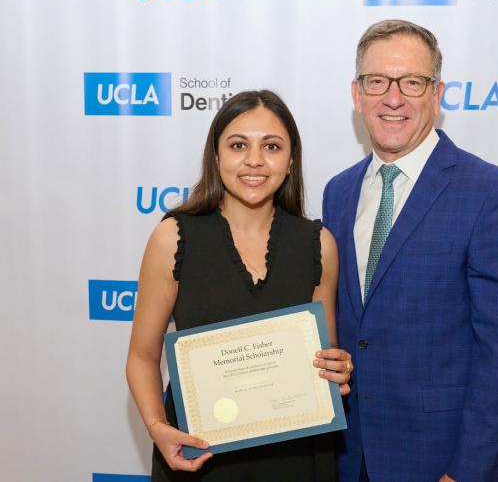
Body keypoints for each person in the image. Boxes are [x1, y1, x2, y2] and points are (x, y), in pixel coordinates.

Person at [322, 20, 498, 482]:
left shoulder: (491, 193)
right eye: (376, 81)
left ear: (437, 94)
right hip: (346, 456)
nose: (393, 97)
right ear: (357, 93)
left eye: (412, 82)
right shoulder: (337, 193)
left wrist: (468, 471)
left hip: (438, 463)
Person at [126, 90, 353, 481]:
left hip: (297, 459)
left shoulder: (319, 245)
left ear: (291, 158)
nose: (254, 160)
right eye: (237, 145)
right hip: (199, 455)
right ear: (216, 157)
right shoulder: (172, 239)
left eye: (271, 146)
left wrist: (337, 370)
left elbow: (323, 359)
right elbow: (142, 356)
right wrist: (156, 427)